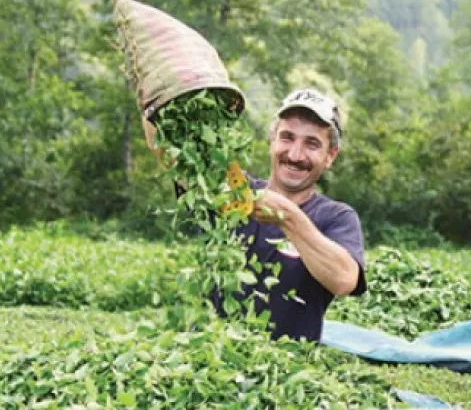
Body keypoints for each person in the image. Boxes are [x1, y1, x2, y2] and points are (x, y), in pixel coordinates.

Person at [145, 88, 367, 342]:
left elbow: (344, 280)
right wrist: (153, 92)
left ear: (329, 156)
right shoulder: (231, 191)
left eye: (312, 144)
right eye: (287, 137)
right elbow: (167, 149)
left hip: (282, 368)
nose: (295, 155)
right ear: (271, 140)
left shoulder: (336, 217)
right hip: (207, 357)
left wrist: (288, 217)